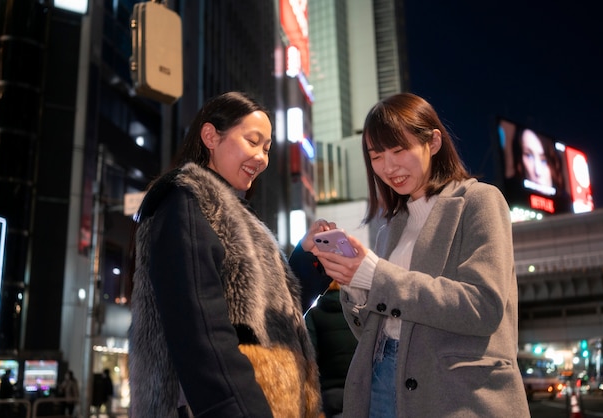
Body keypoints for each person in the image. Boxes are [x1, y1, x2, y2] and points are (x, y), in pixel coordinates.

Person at [295, 92, 530, 417]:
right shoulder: (390, 228)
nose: (388, 167)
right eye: (376, 156)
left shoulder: (479, 201)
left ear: (433, 142)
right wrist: (354, 284)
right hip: (382, 377)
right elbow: (372, 330)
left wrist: (376, 274)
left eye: (399, 149)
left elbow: (483, 307)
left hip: (456, 392)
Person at [128, 91, 322, 417]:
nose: (261, 157)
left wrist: (308, 259)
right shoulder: (187, 203)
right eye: (252, 141)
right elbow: (201, 334)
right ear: (210, 136)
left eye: (267, 148)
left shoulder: (240, 218)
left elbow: (265, 320)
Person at [304, 280, 357, 418]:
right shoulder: (356, 313)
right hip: (359, 389)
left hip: (330, 392)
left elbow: (310, 354)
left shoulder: (314, 314)